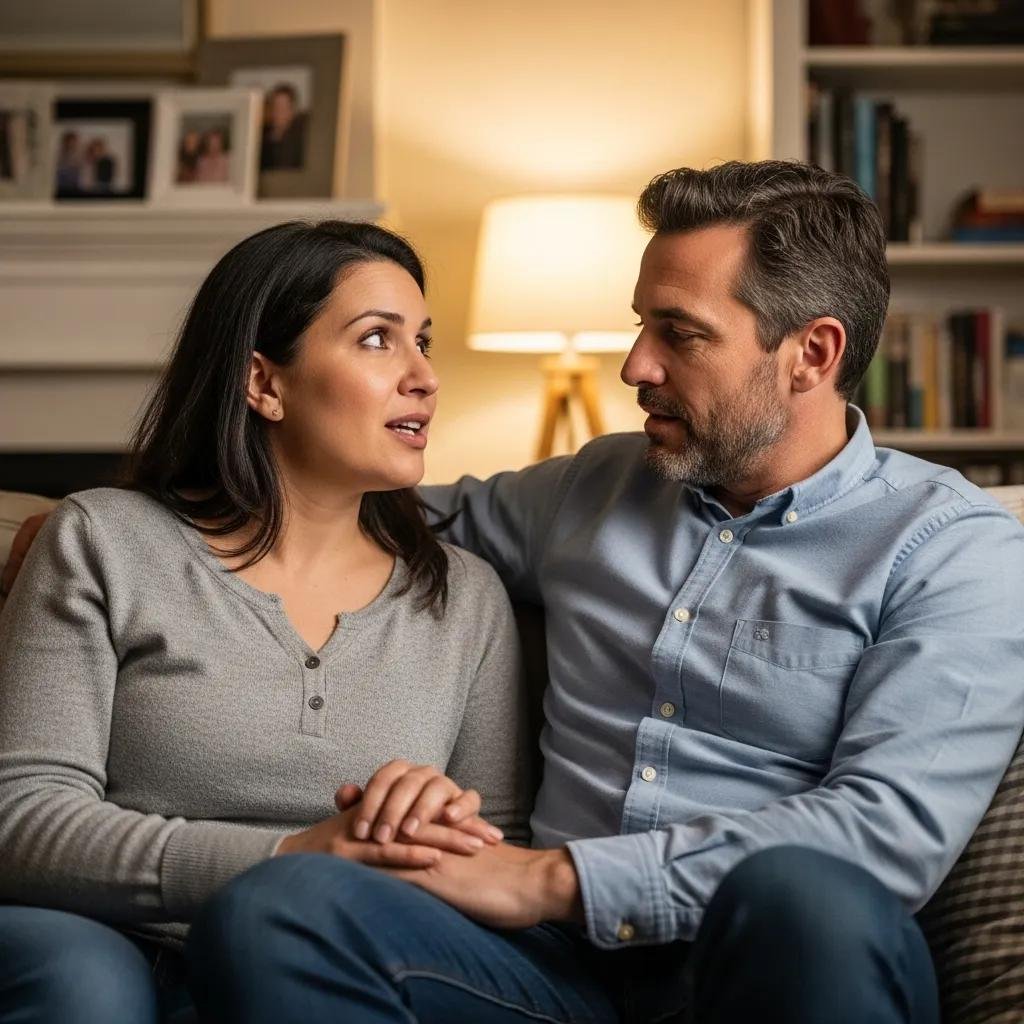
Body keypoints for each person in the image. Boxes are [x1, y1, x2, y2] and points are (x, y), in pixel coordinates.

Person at [6, 161, 1024, 1024]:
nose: (635, 365)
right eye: (640, 325)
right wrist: (132, 528)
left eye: (679, 334)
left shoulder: (951, 551)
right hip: (551, 972)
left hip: (764, 956)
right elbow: (346, 510)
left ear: (813, 353)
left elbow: (885, 834)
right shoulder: (594, 487)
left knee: (810, 895)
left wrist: (553, 878)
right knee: (283, 907)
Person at [0, 221, 531, 1023]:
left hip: (332, 956)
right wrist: (289, 854)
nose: (424, 376)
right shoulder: (104, 540)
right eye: (378, 340)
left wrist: (438, 825)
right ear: (263, 383)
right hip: (113, 938)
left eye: (422, 342)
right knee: (85, 985)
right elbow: (22, 819)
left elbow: (498, 849)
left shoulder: (464, 597)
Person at [259, 83, 307, 170]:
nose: (278, 112)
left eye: (283, 108)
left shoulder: (301, 140)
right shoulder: (262, 136)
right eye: (275, 107)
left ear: (292, 110)